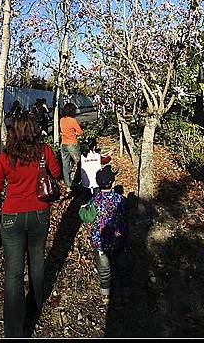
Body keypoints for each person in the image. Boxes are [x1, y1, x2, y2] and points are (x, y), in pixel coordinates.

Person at [0, 114, 61, 338]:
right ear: (35, 130)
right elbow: (56, 174)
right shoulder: (44, 151)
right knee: (37, 259)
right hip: (39, 212)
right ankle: (35, 303)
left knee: (13, 272)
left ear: (12, 133)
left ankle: (13, 330)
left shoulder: (5, 156)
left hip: (12, 216)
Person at [84, 164, 130, 305]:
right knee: (122, 266)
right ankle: (126, 292)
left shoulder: (94, 201)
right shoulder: (120, 199)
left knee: (104, 270)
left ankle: (106, 294)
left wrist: (83, 210)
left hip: (100, 242)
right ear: (113, 182)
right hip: (118, 239)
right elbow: (125, 215)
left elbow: (88, 218)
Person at [59, 102, 83, 193]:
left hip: (63, 144)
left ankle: (68, 185)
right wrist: (75, 133)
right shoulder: (73, 120)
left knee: (65, 166)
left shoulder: (61, 120)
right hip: (72, 144)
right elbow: (80, 132)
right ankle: (80, 182)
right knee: (80, 164)